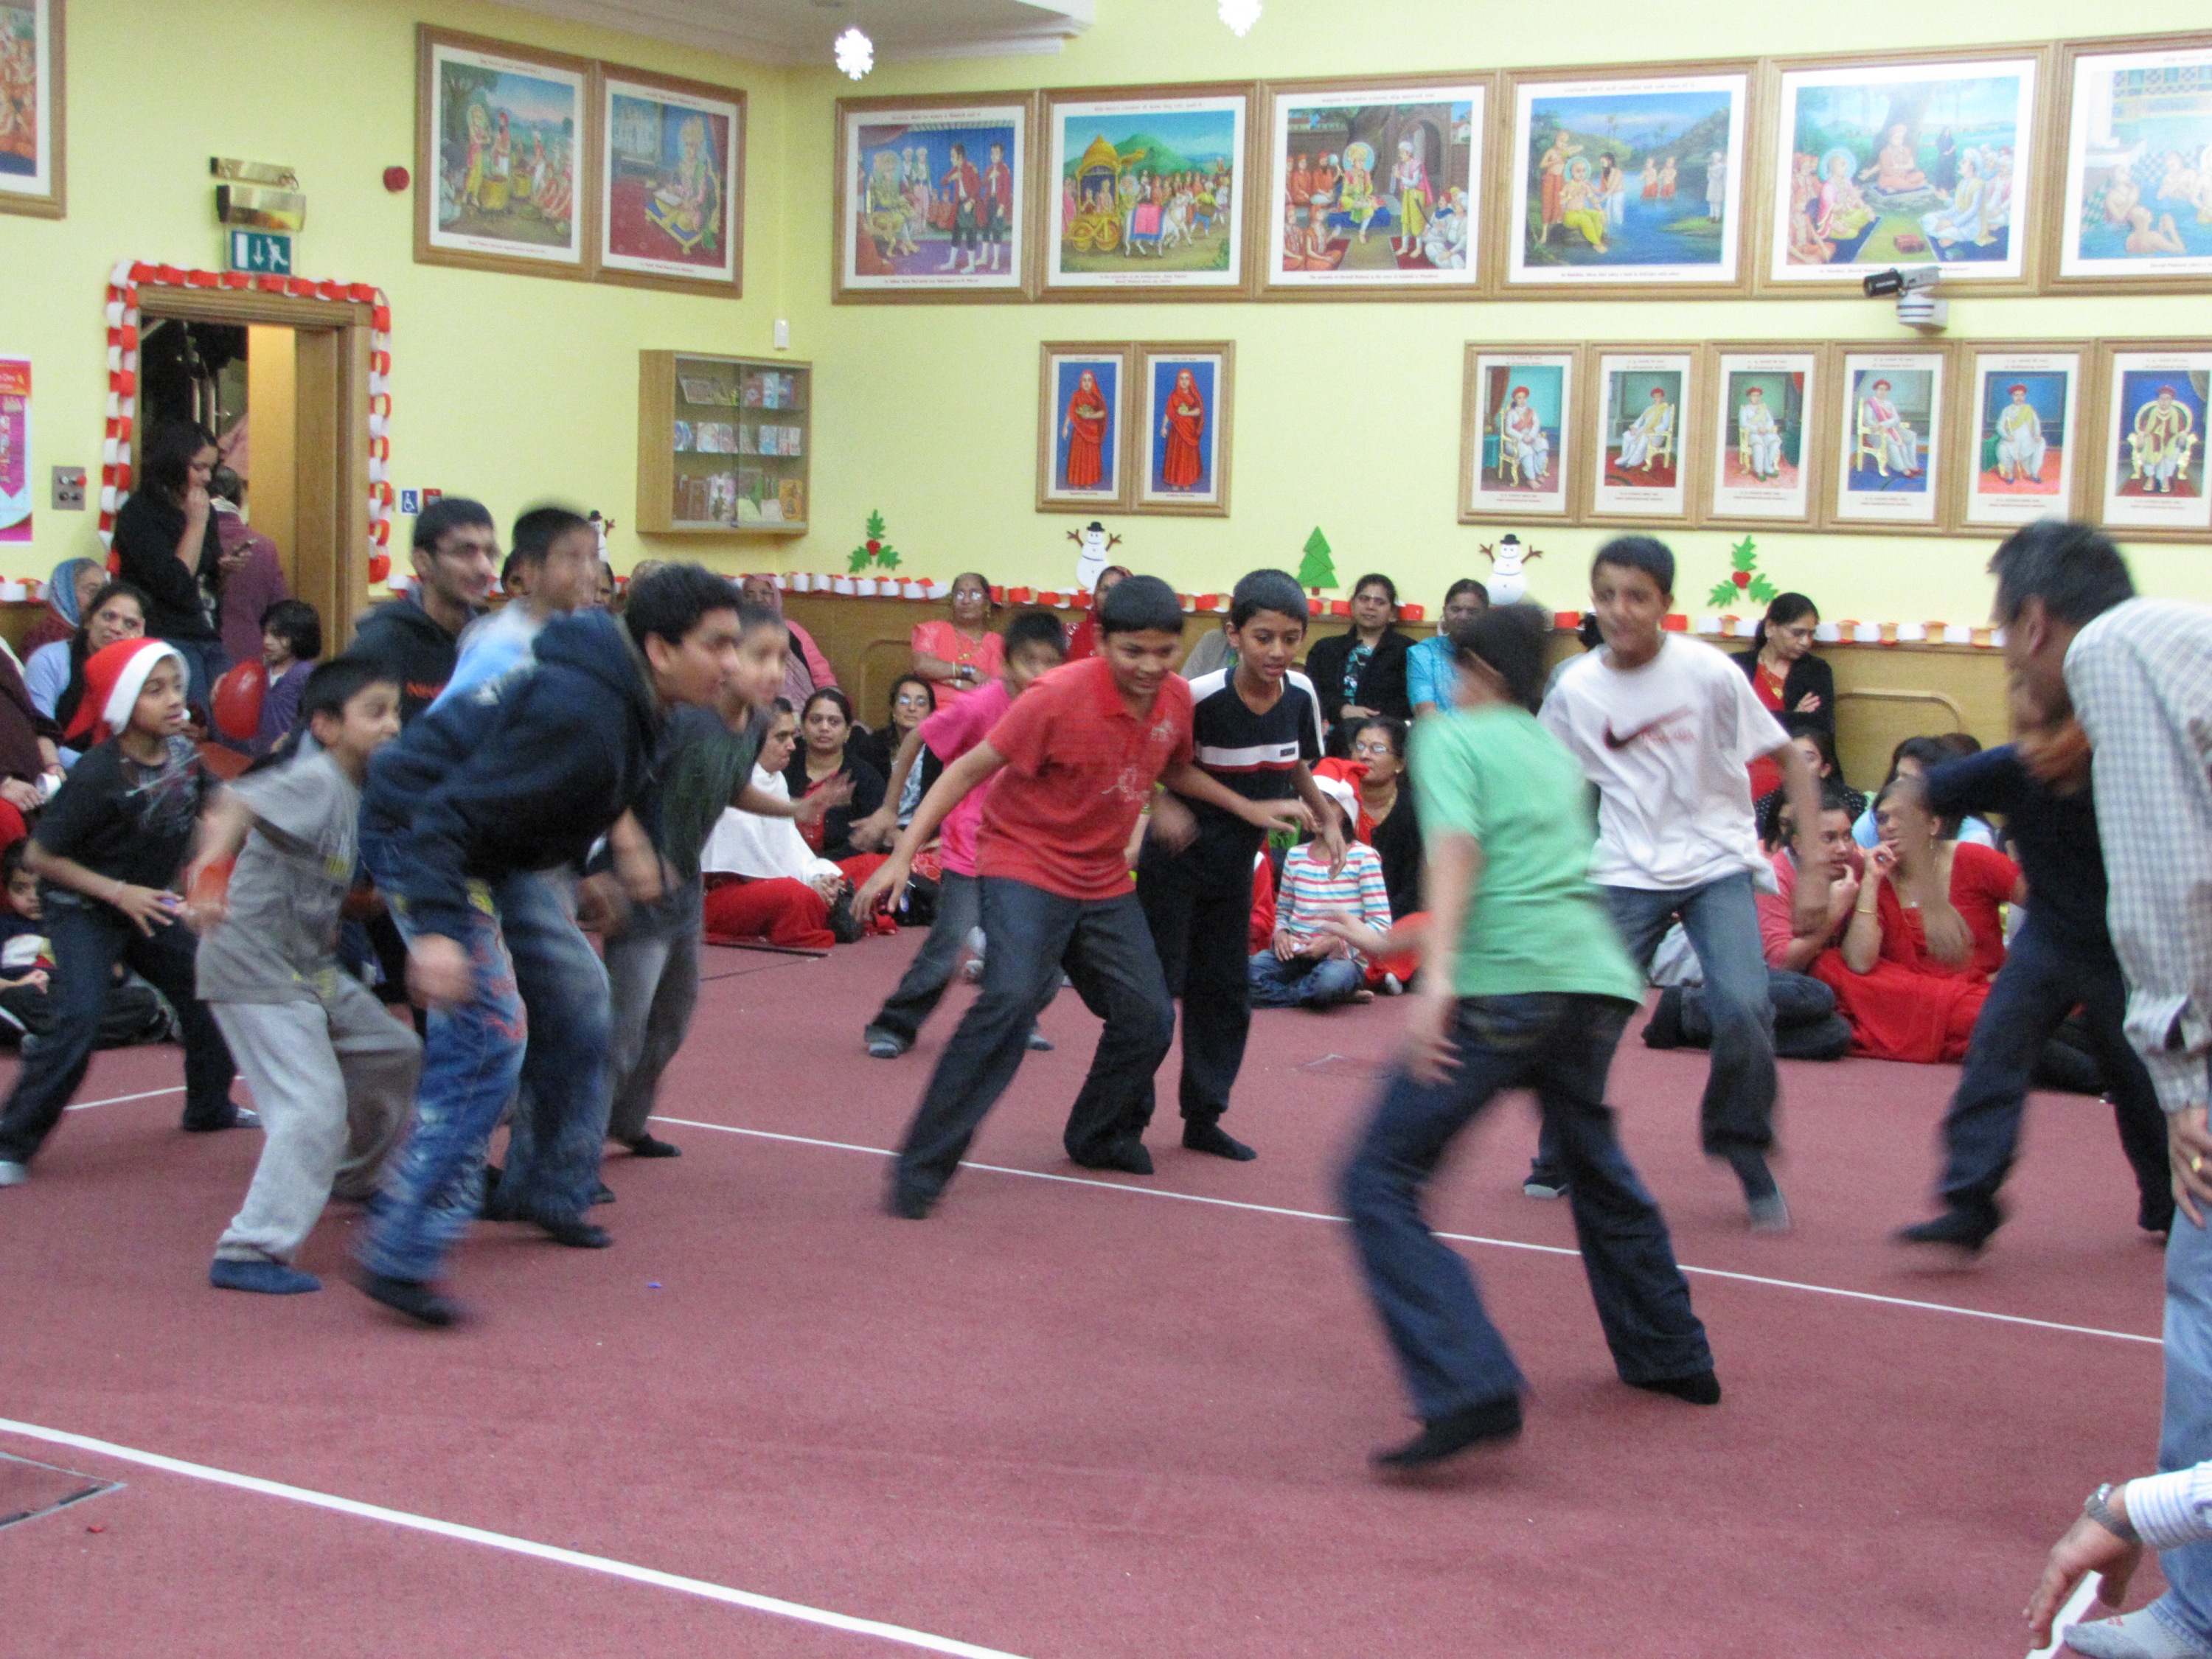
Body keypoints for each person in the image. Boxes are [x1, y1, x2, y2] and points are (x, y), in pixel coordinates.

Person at [1337, 602, 1719, 1470]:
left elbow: (1463, 854)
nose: (1446, 679)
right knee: (1594, 1165)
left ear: (1481, 670)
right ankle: (1672, 1354)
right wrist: (1397, 941)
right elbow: (1532, 875)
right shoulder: (1554, 750)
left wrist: (1432, 986)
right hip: (1589, 982)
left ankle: (1468, 1382)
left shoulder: (1449, 739)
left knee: (1377, 1177)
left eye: (1454, 664)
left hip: (1505, 982)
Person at [352, 565, 745, 1326]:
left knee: (580, 1000)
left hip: (503, 849)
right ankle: (400, 1246)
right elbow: (448, 819)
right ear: (661, 648)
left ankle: (547, 1184)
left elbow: (572, 792)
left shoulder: (629, 694)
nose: (733, 663)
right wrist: (435, 931)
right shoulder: (585, 714)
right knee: (491, 1034)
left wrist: (586, 864)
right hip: (424, 834)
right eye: (719, 644)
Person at [855, 576, 1310, 1217]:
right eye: (1133, 653)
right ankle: (922, 1165)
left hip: (1101, 878)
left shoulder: (1175, 699)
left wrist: (1238, 808)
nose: (1151, 668)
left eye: (1164, 652)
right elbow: (965, 769)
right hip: (1025, 866)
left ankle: (1096, 1135)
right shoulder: (1056, 696)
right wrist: (901, 856)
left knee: (1150, 1015)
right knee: (1009, 1000)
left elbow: (1173, 766)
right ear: (1101, 644)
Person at [1989, 520, 2212, 1659]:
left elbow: (2169, 880)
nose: (2009, 671)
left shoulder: (2114, 652)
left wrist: (2181, 1076)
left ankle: (2202, 1608)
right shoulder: (2170, 645)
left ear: (2036, 622)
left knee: (2207, 1298)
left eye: (2004, 642)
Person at [1534, 536, 1826, 1228]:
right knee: (1588, 1016)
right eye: (1606, 595)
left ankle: (1741, 1144)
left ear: (1666, 603)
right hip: (1626, 869)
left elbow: (1793, 759)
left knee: (1746, 1007)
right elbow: (1544, 788)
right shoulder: (1575, 687)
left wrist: (1810, 870)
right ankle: (1560, 1150)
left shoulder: (1710, 674)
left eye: (1637, 596)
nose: (1619, 610)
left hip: (1715, 863)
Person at [181, 657, 420, 1295]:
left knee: (394, 1051)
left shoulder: (356, 791)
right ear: (326, 726)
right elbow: (234, 803)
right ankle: (250, 1249)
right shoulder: (315, 779)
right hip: (253, 966)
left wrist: (354, 905)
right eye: (375, 713)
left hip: (309, 969)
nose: (393, 725)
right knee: (311, 1106)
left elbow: (310, 868)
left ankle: (353, 1174)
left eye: (396, 711)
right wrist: (209, 875)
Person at [1894, 718, 2173, 1253]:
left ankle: (2171, 1201)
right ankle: (1970, 1200)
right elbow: (1910, 796)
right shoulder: (2014, 765)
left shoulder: (2136, 764)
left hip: (2123, 942)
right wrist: (1933, 903)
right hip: (2047, 939)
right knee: (1995, 1047)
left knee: (2136, 1074)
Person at [0, 639, 248, 1188]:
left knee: (209, 984)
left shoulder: (186, 757)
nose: (172, 700)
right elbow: (42, 856)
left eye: (176, 688)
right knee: (80, 1018)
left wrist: (205, 873)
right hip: (84, 907)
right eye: (153, 690)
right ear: (121, 700)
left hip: (145, 902)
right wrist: (117, 893)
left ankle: (209, 1107)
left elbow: (220, 808)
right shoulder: (97, 774)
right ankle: (11, 1142)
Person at [1137, 570, 1339, 1158]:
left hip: (1234, 872)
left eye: (1290, 638)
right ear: (1234, 634)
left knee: (1224, 994)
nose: (1278, 651)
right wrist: (1169, 804)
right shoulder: (1195, 696)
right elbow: (1160, 763)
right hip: (1175, 863)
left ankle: (1204, 1115)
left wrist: (1325, 816)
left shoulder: (1301, 692)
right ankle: (1123, 1118)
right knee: (1152, 1000)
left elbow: (1296, 760)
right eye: (1263, 638)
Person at [602, 601, 790, 1163]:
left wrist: (794, 810)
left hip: (685, 892)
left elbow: (728, 786)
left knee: (671, 1023)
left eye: (782, 659)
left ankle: (626, 1122)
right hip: (642, 891)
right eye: (760, 656)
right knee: (621, 1032)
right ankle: (569, 1146)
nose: (774, 671)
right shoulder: (683, 718)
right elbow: (617, 782)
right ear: (726, 658)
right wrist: (629, 849)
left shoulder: (754, 724)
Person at [861, 611, 1070, 1059]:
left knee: (1044, 950)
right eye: (1028, 661)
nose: (1038, 673)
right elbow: (917, 739)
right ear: (1006, 663)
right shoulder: (979, 705)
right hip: (971, 847)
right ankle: (894, 1024)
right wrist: (888, 808)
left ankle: (1021, 1017)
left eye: (1049, 663)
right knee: (949, 943)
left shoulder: (1061, 710)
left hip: (1031, 852)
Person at [1810, 771, 2022, 1065]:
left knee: (1994, 1006)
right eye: (1882, 819)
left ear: (1933, 824)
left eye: (1903, 816)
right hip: (1909, 994)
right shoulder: (1877, 872)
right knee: (1829, 964)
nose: (1891, 826)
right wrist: (1871, 880)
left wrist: (2015, 970)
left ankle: (1969, 1027)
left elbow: (2051, 908)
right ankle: (1974, 1031)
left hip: (1975, 993)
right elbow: (1860, 963)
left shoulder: (1974, 859)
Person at [700, 700, 853, 951]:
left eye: (792, 736)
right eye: (781, 738)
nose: (792, 746)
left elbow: (789, 851)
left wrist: (820, 878)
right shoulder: (730, 779)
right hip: (722, 895)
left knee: (861, 868)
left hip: (769, 883)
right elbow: (750, 870)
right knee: (796, 896)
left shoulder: (776, 781)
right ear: (752, 740)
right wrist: (809, 886)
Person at [110, 421, 227, 713]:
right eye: (198, 467)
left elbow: (208, 574)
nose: (206, 477)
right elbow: (174, 582)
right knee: (194, 720)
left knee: (231, 711)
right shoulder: (140, 513)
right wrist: (196, 524)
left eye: (211, 468)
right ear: (175, 462)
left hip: (207, 630)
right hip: (166, 631)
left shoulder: (206, 508)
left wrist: (225, 567)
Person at [349, 496, 498, 724]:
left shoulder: (491, 643)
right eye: (466, 552)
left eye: (490, 553)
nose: (485, 567)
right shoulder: (382, 644)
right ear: (423, 562)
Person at [437, 506, 601, 707]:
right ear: (529, 570)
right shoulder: (498, 649)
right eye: (572, 559)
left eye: (594, 557)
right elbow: (442, 729)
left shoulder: (594, 644)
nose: (590, 573)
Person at [1252, 774, 1385, 1010]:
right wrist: (1281, 934)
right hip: (1297, 955)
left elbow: (1381, 925)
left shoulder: (1364, 858)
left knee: (1329, 981)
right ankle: (1314, 994)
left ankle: (1315, 991)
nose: (1316, 810)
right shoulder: (1296, 856)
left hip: (1343, 959)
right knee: (1248, 973)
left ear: (1345, 811)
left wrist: (1335, 942)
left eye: (1328, 803)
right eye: (1310, 803)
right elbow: (1282, 911)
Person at [1734, 593, 1834, 799]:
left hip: (1795, 771)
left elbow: (1819, 728)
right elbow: (1727, 721)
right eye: (1798, 633)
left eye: (1811, 634)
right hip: (1740, 769)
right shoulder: (1737, 666)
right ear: (1770, 628)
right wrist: (1794, 715)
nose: (1806, 642)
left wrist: (1754, 717)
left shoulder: (1816, 670)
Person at [785, 687, 886, 867]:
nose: (824, 728)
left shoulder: (865, 777)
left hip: (841, 868)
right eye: (816, 720)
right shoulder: (783, 764)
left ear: (848, 731)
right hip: (783, 864)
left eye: (834, 722)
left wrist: (817, 866)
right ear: (802, 727)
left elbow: (866, 842)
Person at [208, 465, 291, 673]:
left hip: (196, 654)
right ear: (240, 501)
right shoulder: (265, 547)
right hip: (249, 655)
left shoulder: (185, 543)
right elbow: (279, 610)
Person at [1304, 574, 1413, 727]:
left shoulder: (1408, 651)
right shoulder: (1325, 649)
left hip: (1385, 733)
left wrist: (1375, 718)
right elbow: (1311, 694)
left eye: (1380, 602)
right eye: (1364, 599)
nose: (1370, 606)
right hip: (1332, 732)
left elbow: (1410, 701)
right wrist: (1342, 710)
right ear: (1352, 604)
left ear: (1393, 612)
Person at [1851, 736, 1997, 849]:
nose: (1896, 784)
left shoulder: (1973, 837)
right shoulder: (1876, 819)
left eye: (1908, 778)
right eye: (1897, 775)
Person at [1347, 717, 1424, 925]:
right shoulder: (1332, 802)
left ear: (1400, 763)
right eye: (1360, 746)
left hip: (1392, 928)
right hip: (1328, 921)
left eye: (1377, 749)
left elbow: (1414, 892)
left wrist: (1367, 929)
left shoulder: (1415, 812)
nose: (1364, 755)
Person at [737, 575, 837, 711]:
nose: (758, 599)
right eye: (750, 594)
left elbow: (820, 671)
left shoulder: (793, 630)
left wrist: (830, 699)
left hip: (806, 708)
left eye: (765, 593)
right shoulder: (738, 632)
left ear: (775, 597)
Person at [849, 675, 935, 831]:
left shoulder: (940, 752)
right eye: (904, 701)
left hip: (923, 835)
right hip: (878, 831)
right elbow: (865, 802)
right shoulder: (871, 747)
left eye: (921, 703)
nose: (912, 708)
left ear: (930, 713)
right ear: (893, 708)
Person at [911, 573, 1003, 707]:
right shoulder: (933, 631)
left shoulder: (997, 643)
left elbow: (995, 689)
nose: (966, 601)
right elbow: (921, 666)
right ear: (951, 602)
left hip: (973, 716)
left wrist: (943, 678)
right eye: (959, 594)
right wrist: (969, 672)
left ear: (987, 602)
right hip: (929, 716)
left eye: (975, 594)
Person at [1754, 722, 1862, 835]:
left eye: (1808, 759)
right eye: (1792, 759)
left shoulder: (1849, 800)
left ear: (1825, 769)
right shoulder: (1765, 805)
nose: (1799, 766)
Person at [1407, 581, 1490, 718]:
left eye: (1472, 612)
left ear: (1486, 616)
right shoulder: (1424, 653)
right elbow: (1426, 714)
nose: (1463, 617)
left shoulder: (1499, 655)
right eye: (1456, 609)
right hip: (1439, 736)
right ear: (1445, 611)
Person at [254, 599, 321, 759]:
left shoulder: (304, 674)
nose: (267, 641)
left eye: (278, 635)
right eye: (266, 633)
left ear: (299, 636)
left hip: (291, 759)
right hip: (262, 757)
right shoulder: (263, 671)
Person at [23, 557, 102, 657]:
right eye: (92, 590)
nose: (101, 597)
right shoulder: (46, 637)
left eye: (104, 590)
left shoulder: (102, 631)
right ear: (66, 594)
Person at [1065, 564, 1131, 665]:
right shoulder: (1070, 633)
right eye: (1106, 589)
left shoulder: (1139, 638)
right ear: (1095, 595)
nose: (1111, 596)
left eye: (1119, 590)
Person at [1994, 383, 2048, 484]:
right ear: (2012, 396)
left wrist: (2037, 434)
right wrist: (2006, 437)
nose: (2019, 398)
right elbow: (1999, 427)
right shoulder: (2007, 410)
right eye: (2016, 395)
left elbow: (2036, 423)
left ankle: (2034, 473)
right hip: (2012, 441)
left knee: (2041, 442)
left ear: (2024, 396)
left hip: (2028, 440)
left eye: (2022, 395)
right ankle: (2010, 473)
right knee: (2001, 449)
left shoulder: (2029, 409)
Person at [1738, 386, 1784, 480]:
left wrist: (1766, 428)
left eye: (1758, 396)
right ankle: (1759, 471)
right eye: (1754, 396)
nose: (1756, 398)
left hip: (1765, 433)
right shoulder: (1744, 410)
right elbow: (1743, 424)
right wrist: (1757, 429)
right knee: (1759, 445)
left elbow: (1770, 421)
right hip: (1752, 434)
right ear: (1749, 397)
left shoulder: (1763, 409)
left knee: (1776, 440)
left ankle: (1767, 467)